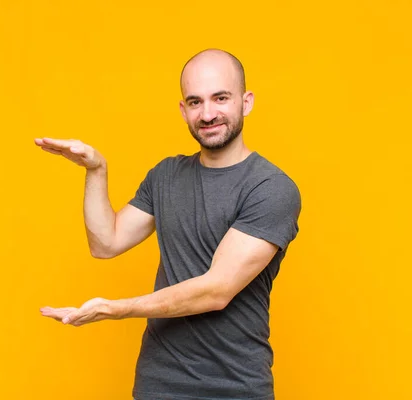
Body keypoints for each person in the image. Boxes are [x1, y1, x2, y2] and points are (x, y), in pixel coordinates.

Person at [35, 48, 301, 400]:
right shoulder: (166, 176)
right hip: (157, 385)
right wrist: (96, 170)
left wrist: (117, 308)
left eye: (220, 98)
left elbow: (216, 290)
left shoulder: (271, 188)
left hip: (235, 388)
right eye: (195, 102)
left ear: (246, 102)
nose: (208, 114)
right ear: (183, 109)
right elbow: (106, 243)